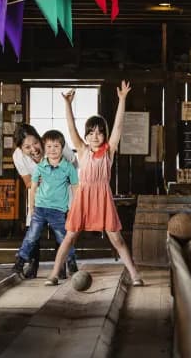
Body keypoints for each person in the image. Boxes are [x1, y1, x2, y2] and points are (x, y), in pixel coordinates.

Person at [44, 81, 143, 286]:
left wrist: (122, 99)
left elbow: (118, 126)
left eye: (99, 132)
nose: (94, 136)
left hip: (103, 197)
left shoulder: (109, 150)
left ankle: (135, 275)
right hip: (84, 196)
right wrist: (68, 105)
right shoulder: (81, 149)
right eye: (91, 133)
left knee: (117, 239)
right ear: (86, 136)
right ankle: (53, 274)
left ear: (105, 135)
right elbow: (71, 129)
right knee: (69, 237)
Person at [12, 124, 78, 278]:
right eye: (27, 147)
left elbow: (73, 166)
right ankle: (32, 265)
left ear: (40, 140)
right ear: (21, 148)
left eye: (35, 143)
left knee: (61, 231)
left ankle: (62, 266)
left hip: (61, 193)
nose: (33, 149)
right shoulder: (18, 156)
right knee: (32, 231)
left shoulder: (53, 145)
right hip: (40, 197)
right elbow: (28, 183)